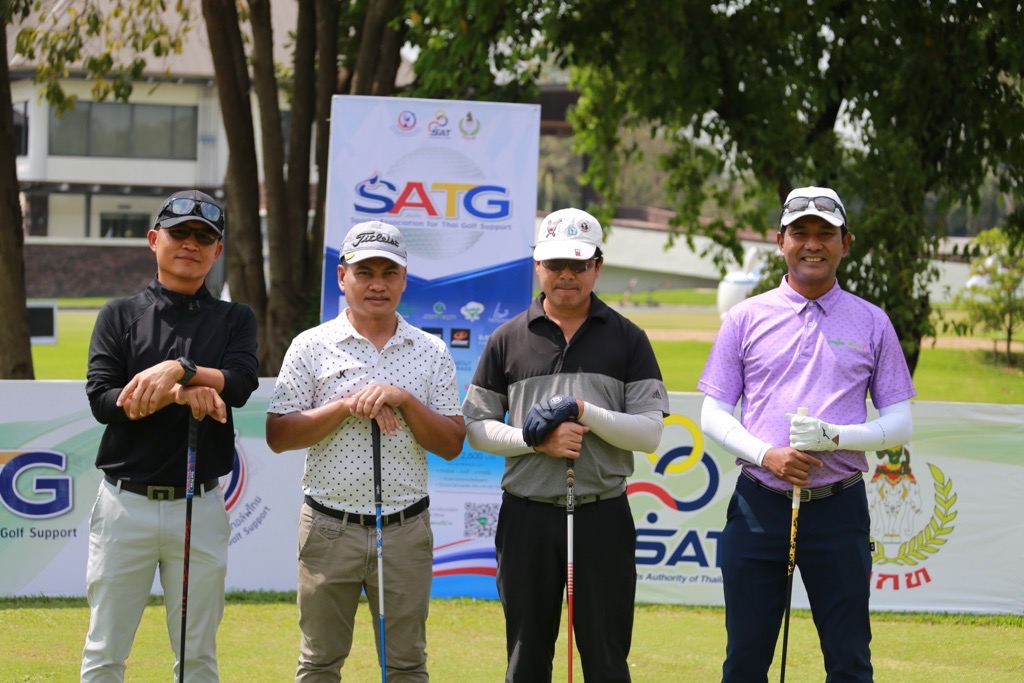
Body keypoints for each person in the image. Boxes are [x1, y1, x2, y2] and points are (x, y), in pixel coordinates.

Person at [698, 186, 916, 682]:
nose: (812, 244)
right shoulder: (745, 318)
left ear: (846, 243)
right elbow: (713, 412)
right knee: (745, 660)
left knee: (849, 661)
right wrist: (766, 454)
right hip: (759, 504)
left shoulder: (872, 322)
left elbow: (900, 422)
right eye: (800, 233)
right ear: (780, 242)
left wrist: (834, 437)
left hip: (838, 509)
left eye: (825, 233)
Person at [462, 208, 669, 683]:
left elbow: (649, 433)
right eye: (555, 264)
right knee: (526, 658)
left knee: (606, 659)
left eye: (579, 264)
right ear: (538, 265)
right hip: (526, 517)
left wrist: (583, 411)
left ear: (598, 266)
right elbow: (476, 427)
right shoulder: (507, 338)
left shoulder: (628, 338)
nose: (567, 275)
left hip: (602, 515)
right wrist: (537, 443)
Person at [265, 220, 465, 683]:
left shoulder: (431, 351)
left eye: (389, 273)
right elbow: (279, 434)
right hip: (328, 528)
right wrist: (345, 406)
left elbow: (452, 443)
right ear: (342, 277)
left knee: (407, 666)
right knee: (318, 663)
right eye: (365, 272)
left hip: (404, 529)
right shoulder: (310, 346)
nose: (378, 284)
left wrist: (404, 400)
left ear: (404, 279)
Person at [82, 189, 259, 682]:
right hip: (126, 505)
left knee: (196, 657)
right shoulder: (119, 315)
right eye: (179, 233)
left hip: (198, 506)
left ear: (217, 251)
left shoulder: (235, 319)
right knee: (105, 652)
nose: (190, 244)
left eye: (204, 237)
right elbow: (105, 402)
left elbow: (240, 384)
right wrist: (184, 392)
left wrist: (179, 369)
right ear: (153, 239)